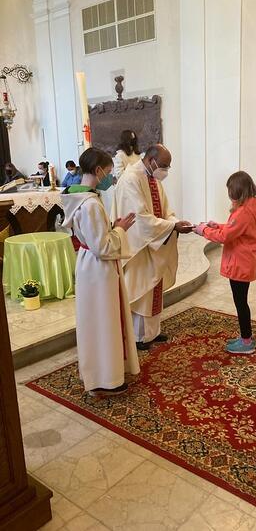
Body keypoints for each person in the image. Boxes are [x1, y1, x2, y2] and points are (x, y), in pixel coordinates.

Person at [61, 147, 140, 397]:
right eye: (107, 171)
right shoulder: (91, 204)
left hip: (88, 265)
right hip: (99, 268)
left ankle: (98, 373)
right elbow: (103, 247)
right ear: (97, 170)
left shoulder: (77, 196)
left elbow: (94, 238)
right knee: (105, 322)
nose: (109, 177)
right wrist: (121, 230)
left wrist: (112, 228)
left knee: (94, 322)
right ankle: (108, 379)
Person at [112, 144, 193, 350]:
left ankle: (152, 332)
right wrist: (172, 226)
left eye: (168, 166)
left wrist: (175, 222)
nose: (165, 170)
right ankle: (138, 336)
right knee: (141, 288)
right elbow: (139, 218)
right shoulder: (130, 179)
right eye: (163, 165)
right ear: (150, 160)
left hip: (154, 241)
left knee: (153, 288)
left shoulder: (153, 178)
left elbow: (165, 210)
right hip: (138, 246)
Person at [193, 171, 256, 355]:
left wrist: (203, 231)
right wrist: (217, 226)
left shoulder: (243, 212)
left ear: (236, 191)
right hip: (245, 260)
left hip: (240, 263)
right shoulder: (252, 206)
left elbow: (226, 236)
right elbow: (235, 229)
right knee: (241, 300)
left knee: (240, 302)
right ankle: (245, 337)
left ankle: (246, 341)